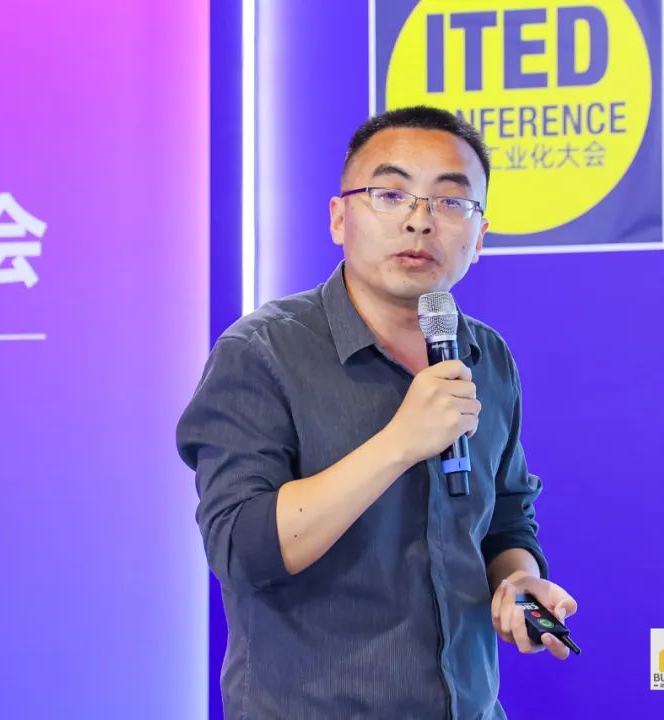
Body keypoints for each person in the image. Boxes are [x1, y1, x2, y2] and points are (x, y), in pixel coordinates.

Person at [176, 105, 578, 719]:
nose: (420, 221)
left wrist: (518, 581)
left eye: (450, 202)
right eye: (391, 195)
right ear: (340, 218)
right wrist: (398, 443)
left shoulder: (485, 356)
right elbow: (242, 551)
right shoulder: (262, 352)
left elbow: (506, 519)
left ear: (479, 236)